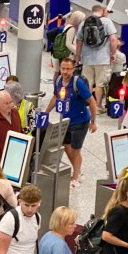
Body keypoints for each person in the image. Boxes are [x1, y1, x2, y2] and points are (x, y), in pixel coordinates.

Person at [45, 58, 97, 188]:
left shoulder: (78, 83)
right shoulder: (58, 81)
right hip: (65, 121)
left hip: (80, 121)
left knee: (75, 150)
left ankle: (76, 175)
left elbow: (92, 101)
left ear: (73, 70)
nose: (65, 71)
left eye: (68, 69)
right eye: (63, 68)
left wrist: (93, 121)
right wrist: (46, 113)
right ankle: (77, 169)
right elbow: (55, 97)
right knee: (66, 146)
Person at [74, 10, 119, 106]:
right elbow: (113, 39)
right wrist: (113, 53)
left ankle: (89, 104)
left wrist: (77, 58)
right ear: (102, 11)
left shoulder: (84, 23)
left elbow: (79, 43)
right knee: (100, 84)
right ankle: (98, 106)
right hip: (103, 59)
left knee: (88, 82)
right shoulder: (107, 22)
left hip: (87, 59)